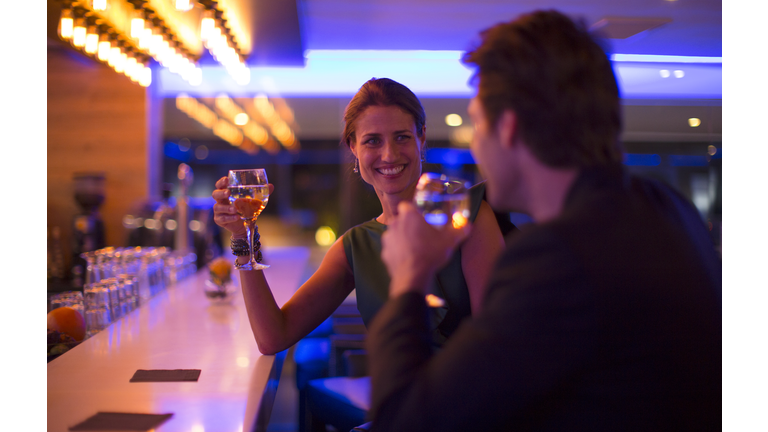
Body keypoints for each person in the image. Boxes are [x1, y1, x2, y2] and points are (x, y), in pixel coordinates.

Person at [367, 10, 722, 432]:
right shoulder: (667, 206)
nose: (475, 143)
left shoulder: (559, 258)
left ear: (510, 128)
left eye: (477, 123)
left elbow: (407, 420)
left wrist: (410, 276)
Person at [211, 77, 505, 356]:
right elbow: (272, 337)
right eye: (372, 141)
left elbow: (498, 340)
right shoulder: (356, 246)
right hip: (400, 396)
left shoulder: (465, 212)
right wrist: (241, 236)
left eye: (401, 137)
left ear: (422, 137)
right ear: (353, 147)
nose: (389, 155)